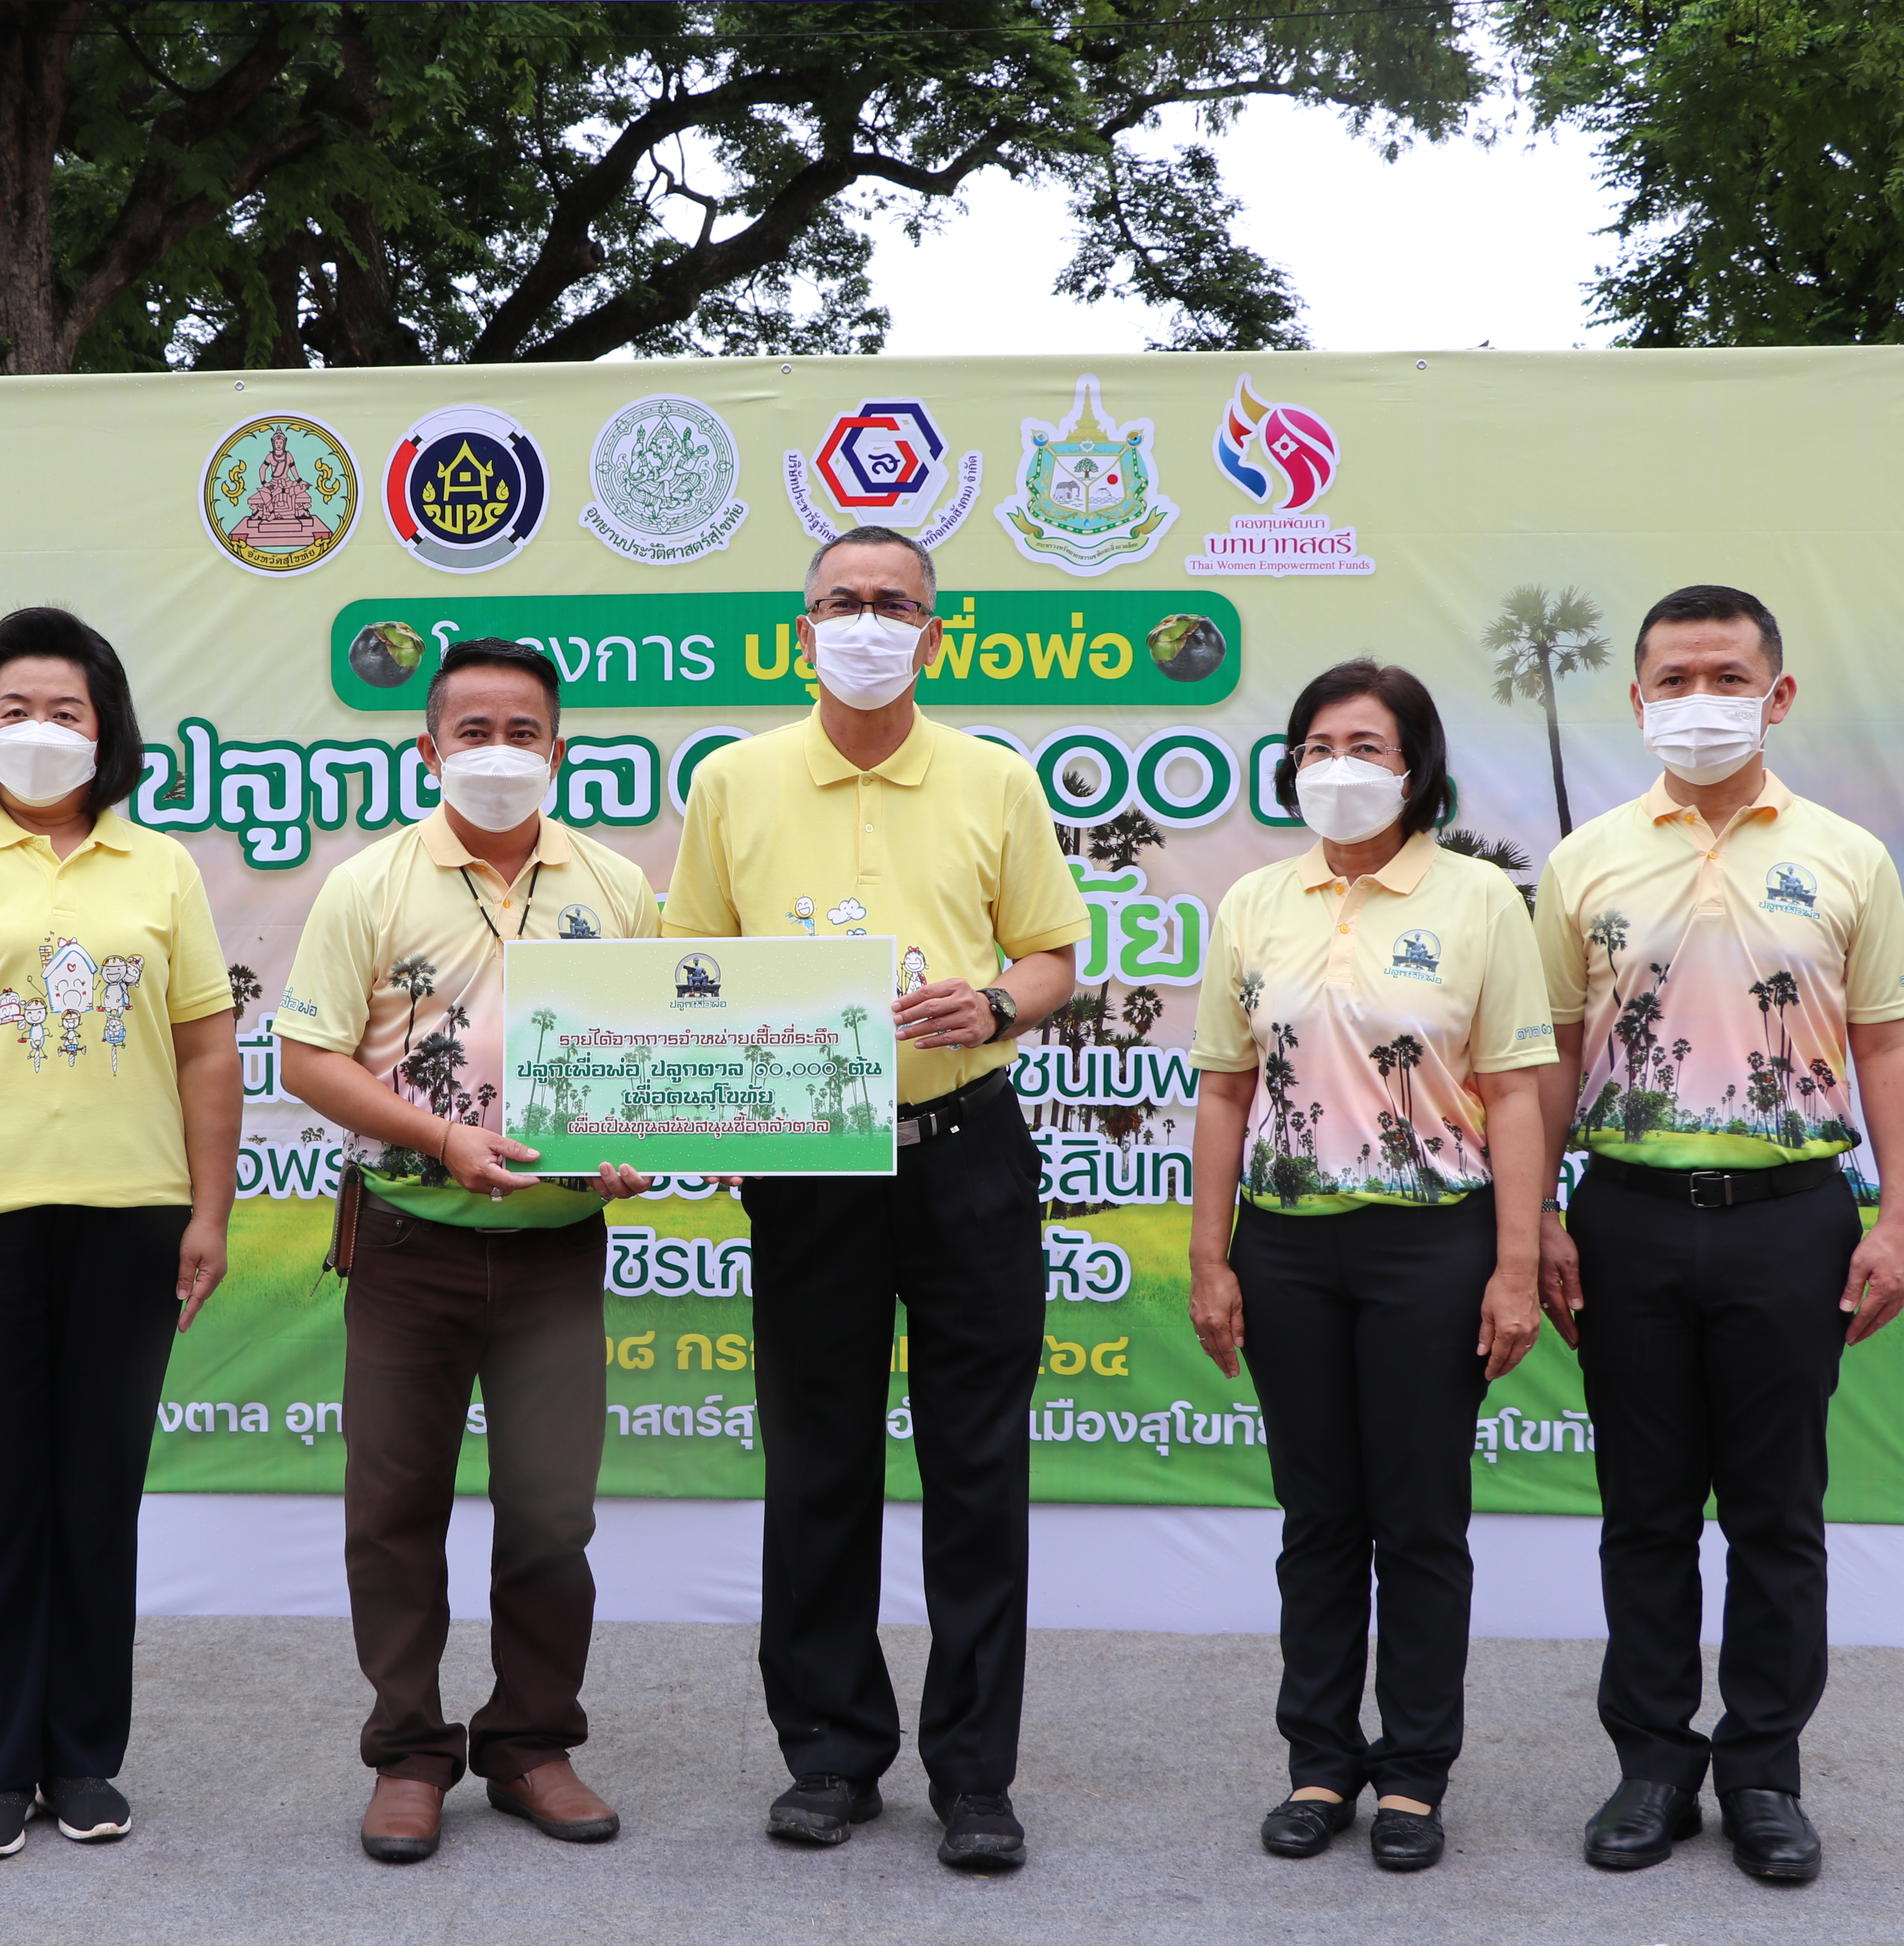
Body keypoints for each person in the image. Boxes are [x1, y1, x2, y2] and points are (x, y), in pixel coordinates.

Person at [662, 526, 1087, 1872]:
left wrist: (1000, 996)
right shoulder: (733, 782)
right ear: (803, 630)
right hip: (810, 1163)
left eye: (893, 602)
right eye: (842, 600)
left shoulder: (992, 779)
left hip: (967, 1143)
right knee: (820, 1461)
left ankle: (976, 1777)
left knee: (977, 1469)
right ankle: (832, 1753)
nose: (866, 619)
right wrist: (724, 1093)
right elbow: (692, 969)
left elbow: (1056, 953)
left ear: (935, 632)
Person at [1535, 586, 1904, 1884]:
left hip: (1791, 1223)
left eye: (1728, 675)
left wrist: (1902, 1217)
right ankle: (1652, 1765)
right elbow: (1550, 1059)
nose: (1701, 701)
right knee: (1643, 1514)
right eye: (1675, 679)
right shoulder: (1586, 861)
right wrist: (1537, 1215)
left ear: (1779, 693)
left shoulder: (1848, 856)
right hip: (1629, 1219)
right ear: (1637, 699)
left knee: (1777, 1515)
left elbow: (1889, 1043)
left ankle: (1764, 1769)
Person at [0, 608, 241, 1862]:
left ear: (107, 728)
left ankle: (82, 1756)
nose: (38, 730)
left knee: (95, 1496)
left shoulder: (161, 868)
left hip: (130, 1216)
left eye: (64, 710)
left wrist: (210, 1211)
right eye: (13, 708)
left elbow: (207, 1049)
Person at [276, 638, 657, 1864]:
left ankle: (532, 1743)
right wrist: (440, 1137)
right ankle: (408, 1752)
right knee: (393, 1510)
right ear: (428, 749)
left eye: (525, 731)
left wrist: (630, 1140)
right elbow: (308, 1056)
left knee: (551, 1514)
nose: (501, 753)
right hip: (408, 1244)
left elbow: (644, 1061)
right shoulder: (368, 885)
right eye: (475, 731)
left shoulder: (617, 885)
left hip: (555, 1250)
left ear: (561, 748)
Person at [1187, 659, 1556, 1873]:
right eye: (1316, 745)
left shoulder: (1477, 899)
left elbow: (1511, 1095)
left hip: (1430, 1245)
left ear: (1416, 768)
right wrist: (1211, 1257)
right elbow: (1228, 1089)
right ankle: (1319, 1760)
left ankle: (1412, 1774)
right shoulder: (1256, 902)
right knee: (1318, 1517)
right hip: (1285, 1246)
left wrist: (1513, 1265)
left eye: (1367, 746)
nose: (1337, 767)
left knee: (1420, 1519)